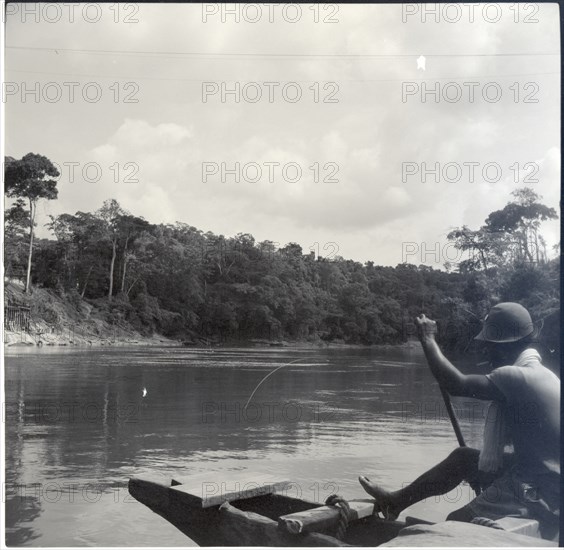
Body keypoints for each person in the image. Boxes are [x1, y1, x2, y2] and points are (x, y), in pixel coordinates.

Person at [359, 302, 560, 541]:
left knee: (455, 525)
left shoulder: (518, 376)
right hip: (538, 475)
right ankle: (395, 502)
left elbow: (456, 384)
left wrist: (427, 338)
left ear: (504, 346)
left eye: (488, 346)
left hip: (541, 488)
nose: (485, 352)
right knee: (463, 459)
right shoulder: (543, 374)